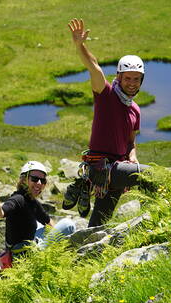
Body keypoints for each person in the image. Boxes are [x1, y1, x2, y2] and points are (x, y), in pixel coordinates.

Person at [63, 18, 150, 227]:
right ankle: (156, 222)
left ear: (142, 80)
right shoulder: (106, 94)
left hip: (115, 171)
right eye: (127, 78)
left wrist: (133, 158)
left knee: (99, 222)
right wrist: (80, 45)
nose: (131, 83)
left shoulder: (135, 109)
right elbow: (94, 67)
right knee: (153, 177)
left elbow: (131, 142)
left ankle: (86, 254)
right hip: (104, 168)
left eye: (136, 79)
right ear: (118, 76)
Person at [0, 161, 76, 259]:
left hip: (26, 248)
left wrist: (55, 237)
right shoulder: (18, 199)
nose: (39, 183)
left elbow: (48, 221)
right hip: (23, 255)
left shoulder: (32, 201)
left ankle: (54, 251)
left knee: (40, 225)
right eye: (35, 179)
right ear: (24, 180)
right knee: (68, 224)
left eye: (43, 181)